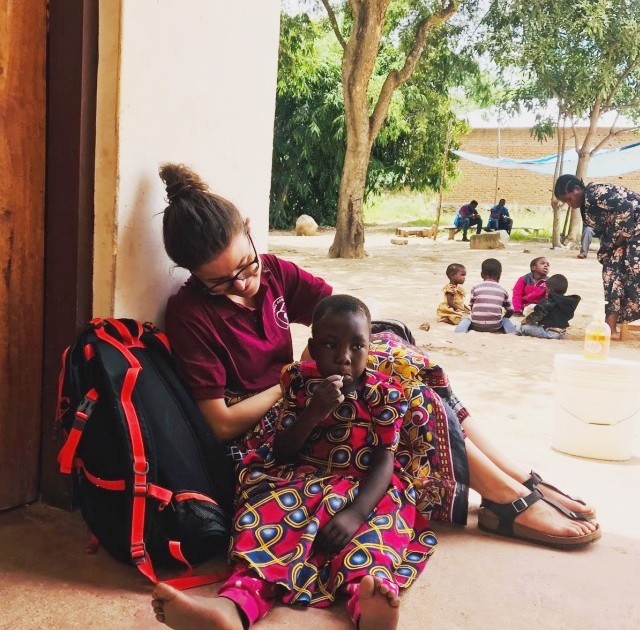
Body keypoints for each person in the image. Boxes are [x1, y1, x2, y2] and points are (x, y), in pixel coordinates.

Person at [150, 164, 599, 629]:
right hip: (264, 421)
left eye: (247, 266)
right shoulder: (190, 313)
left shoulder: (275, 273)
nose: (244, 284)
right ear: (193, 276)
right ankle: (509, 494)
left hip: (309, 391)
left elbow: (343, 316)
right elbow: (222, 421)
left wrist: (333, 357)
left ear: (248, 229)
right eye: (221, 282)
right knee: (411, 393)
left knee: (396, 358)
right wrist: (292, 380)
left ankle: (514, 481)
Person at [554, 174, 640, 339]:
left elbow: (626, 208)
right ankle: (610, 328)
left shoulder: (596, 193)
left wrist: (618, 241)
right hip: (625, 238)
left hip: (634, 232)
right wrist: (610, 247)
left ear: (577, 189)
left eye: (569, 199)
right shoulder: (586, 206)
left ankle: (611, 325)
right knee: (610, 273)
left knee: (631, 271)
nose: (570, 204)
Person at [455, 258, 516, 334]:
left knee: (466, 319)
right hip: (495, 326)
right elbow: (511, 310)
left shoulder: (476, 288)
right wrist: (503, 318)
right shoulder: (503, 291)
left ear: (481, 275)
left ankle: (459, 332)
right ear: (499, 276)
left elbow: (472, 307)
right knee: (506, 320)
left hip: (476, 325)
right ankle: (512, 332)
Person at [516, 274, 581, 339]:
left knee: (524, 328)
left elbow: (538, 314)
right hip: (562, 332)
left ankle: (519, 330)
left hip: (551, 333)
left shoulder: (548, 301)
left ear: (548, 290)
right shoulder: (567, 302)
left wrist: (526, 320)